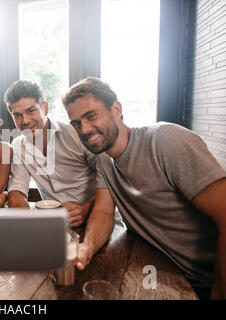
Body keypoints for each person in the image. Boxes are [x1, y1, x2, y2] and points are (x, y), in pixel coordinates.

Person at [62, 77, 226, 300]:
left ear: (116, 109)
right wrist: (86, 248)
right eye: (76, 124)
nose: (85, 129)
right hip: (163, 273)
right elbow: (103, 212)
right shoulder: (103, 159)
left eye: (91, 116)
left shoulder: (167, 140)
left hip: (210, 281)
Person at [4, 80, 97, 227]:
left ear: (45, 108)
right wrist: (23, 222)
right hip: (56, 227)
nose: (25, 121)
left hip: (97, 218)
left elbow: (112, 179)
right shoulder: (17, 146)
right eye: (17, 115)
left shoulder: (76, 134)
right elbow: (17, 190)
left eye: (31, 111)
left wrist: (86, 209)